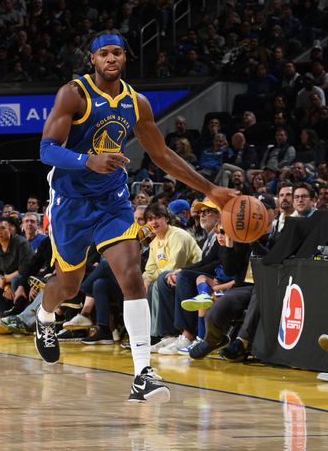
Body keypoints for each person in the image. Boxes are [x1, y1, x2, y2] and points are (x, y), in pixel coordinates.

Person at [35, 31, 236, 403]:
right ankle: (46, 318)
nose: (111, 59)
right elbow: (46, 149)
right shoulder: (73, 94)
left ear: (124, 58)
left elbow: (161, 155)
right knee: (69, 286)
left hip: (112, 201)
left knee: (131, 277)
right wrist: (87, 161)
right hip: (71, 203)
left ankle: (142, 373)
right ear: (92, 59)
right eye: (104, 54)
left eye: (117, 53)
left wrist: (210, 190)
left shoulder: (137, 102)